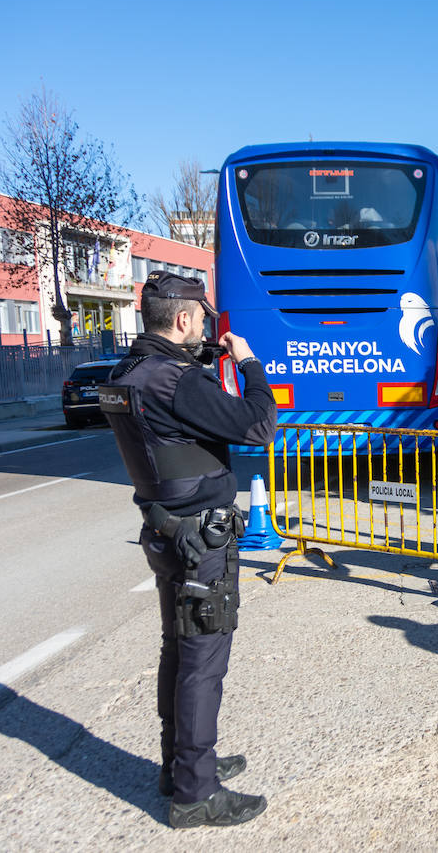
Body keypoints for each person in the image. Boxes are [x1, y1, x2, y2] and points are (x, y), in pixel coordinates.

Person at [100, 271, 276, 828]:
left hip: (166, 529)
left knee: (178, 650)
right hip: (202, 539)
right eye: (202, 318)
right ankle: (196, 794)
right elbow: (258, 425)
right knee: (202, 661)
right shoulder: (177, 380)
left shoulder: (125, 373)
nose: (206, 327)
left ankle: (179, 765)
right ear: (181, 320)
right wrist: (248, 363)